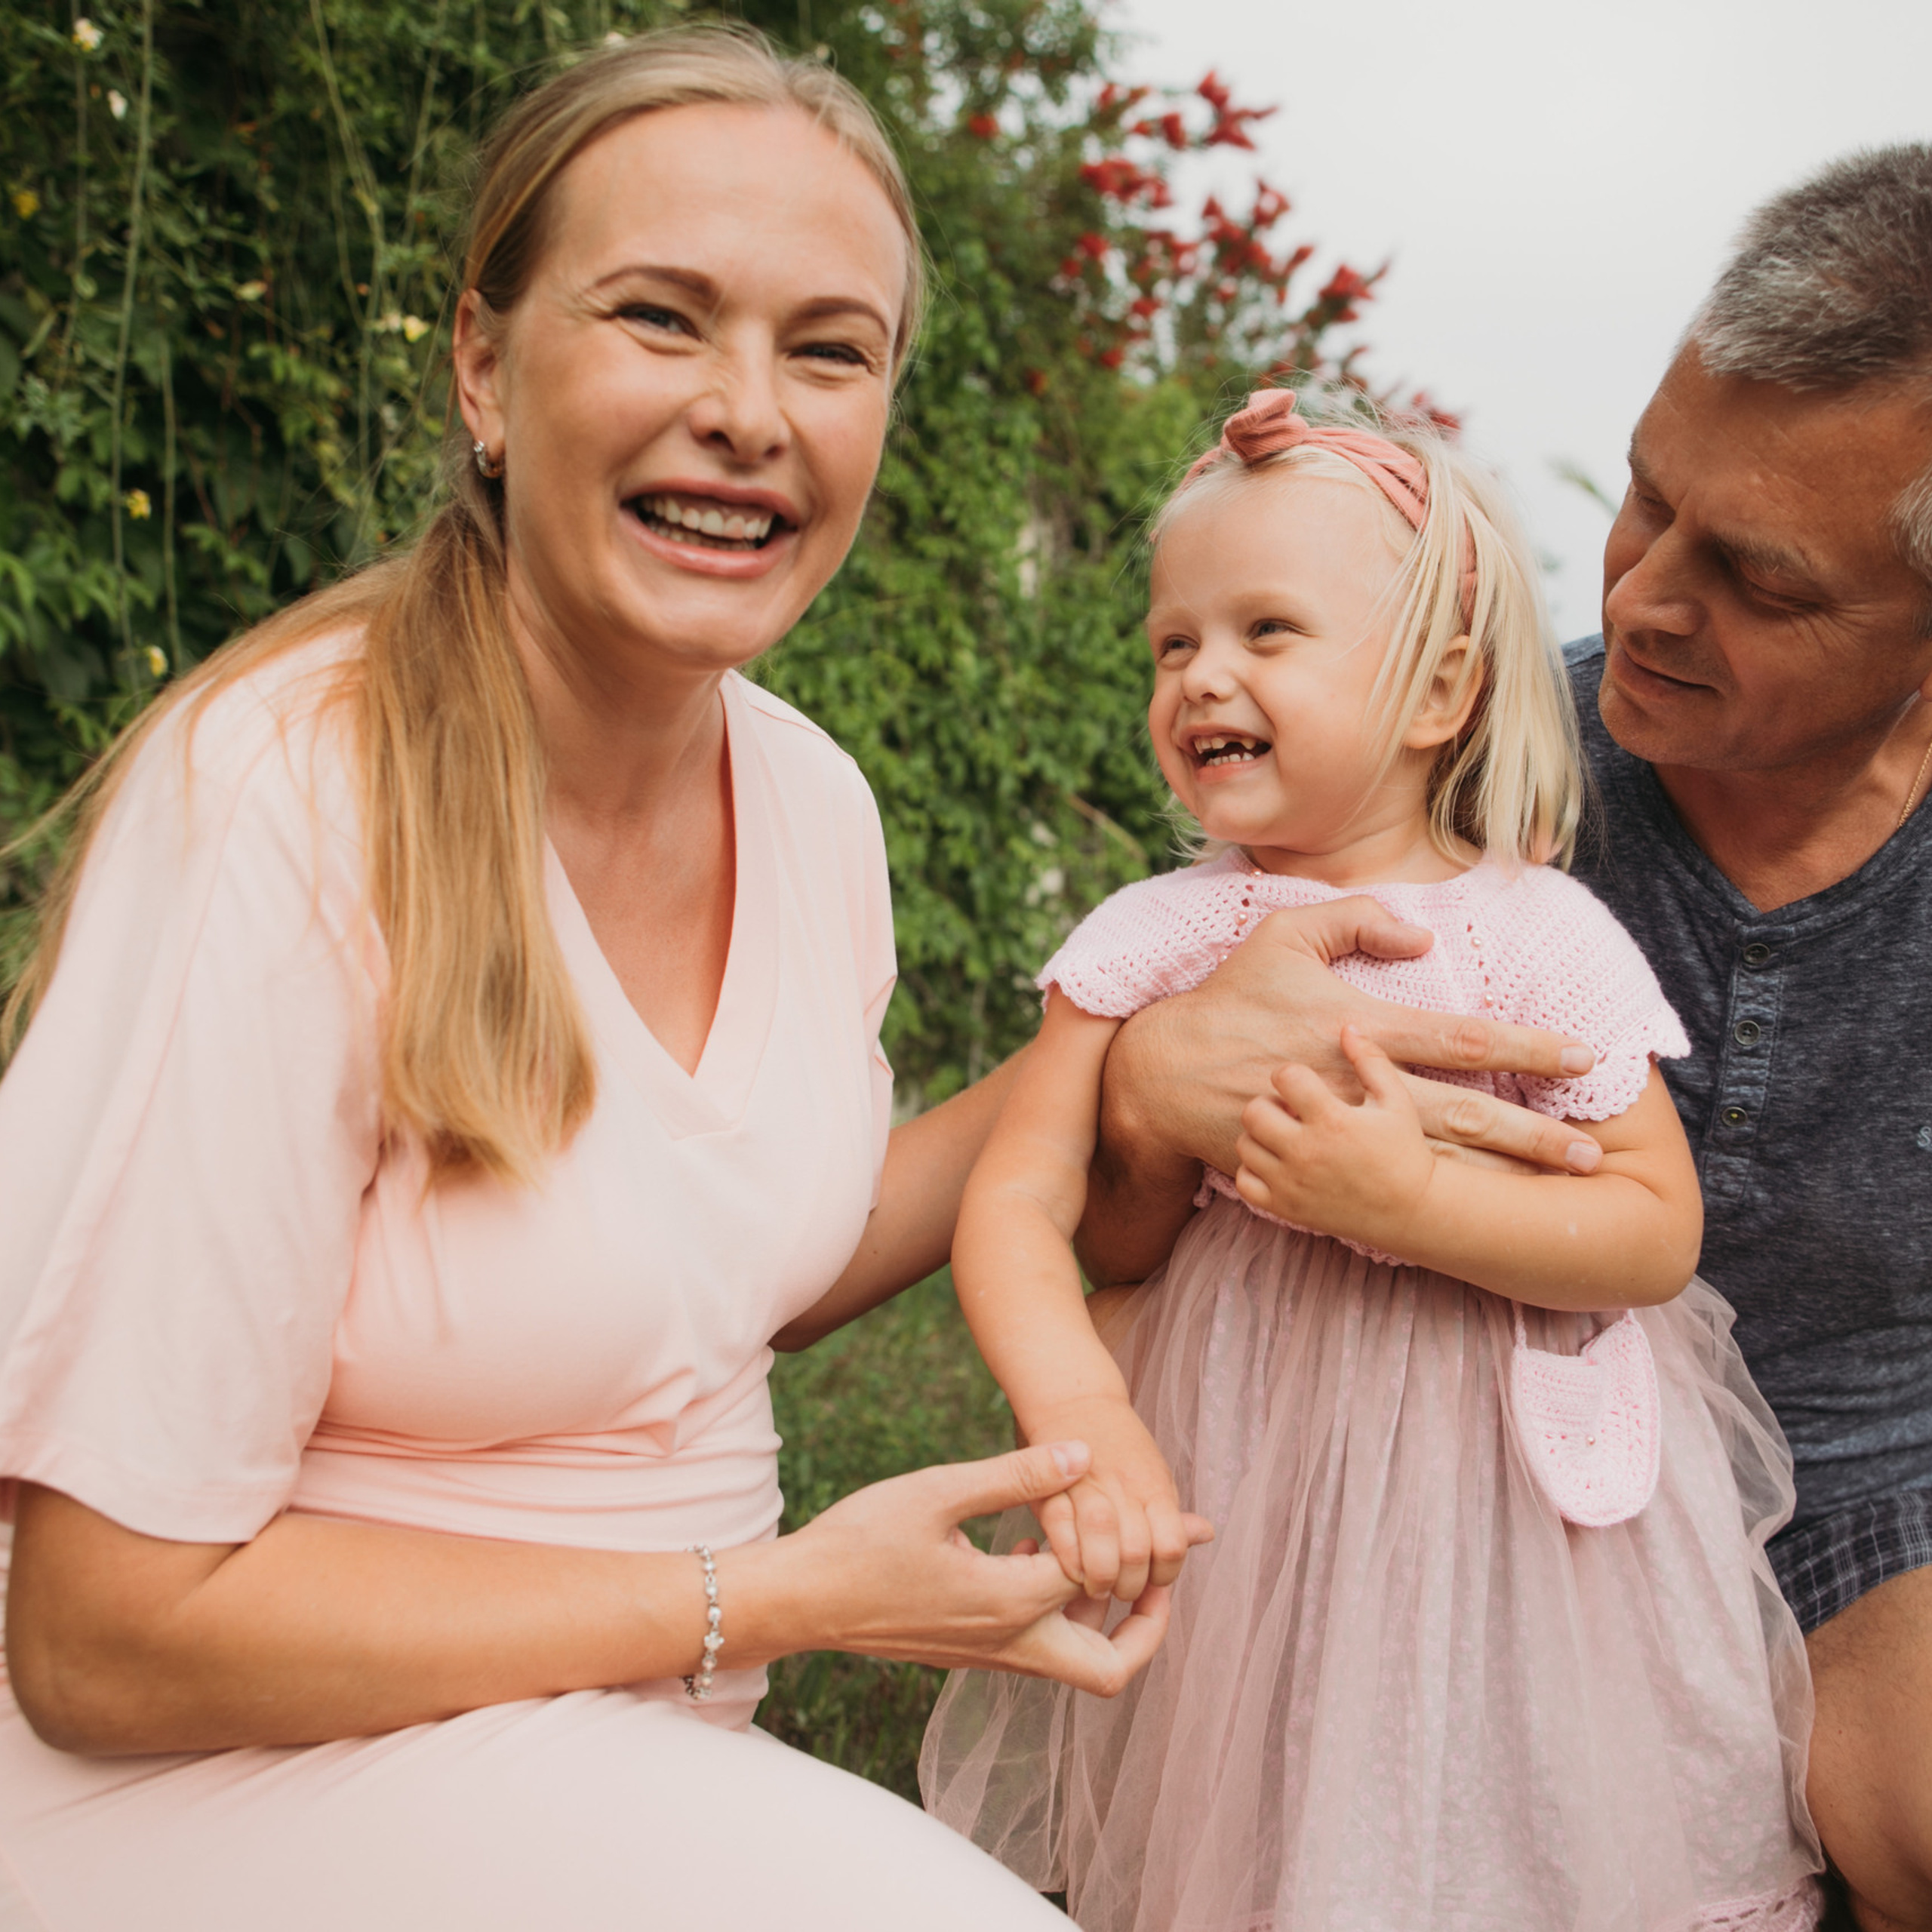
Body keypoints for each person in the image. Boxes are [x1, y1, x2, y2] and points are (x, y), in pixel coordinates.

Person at [0, 28, 1189, 1930]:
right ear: (484, 365)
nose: (747, 411)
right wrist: (784, 1595)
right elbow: (103, 1631)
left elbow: (693, 1268)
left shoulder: (810, 800)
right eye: (660, 317)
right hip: (212, 1778)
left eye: (827, 348)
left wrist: (1132, 1057)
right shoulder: (290, 795)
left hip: (610, 1756)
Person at [1078, 147, 1932, 1932]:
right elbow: (1063, 1127)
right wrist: (1142, 1091)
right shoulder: (1437, 767)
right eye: (1642, 498)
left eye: (1755, 584)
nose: (1635, 599)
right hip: (1422, 1464)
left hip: (1870, 1477)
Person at [921, 391, 1823, 1930]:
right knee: (1271, 1781)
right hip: (1244, 1451)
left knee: (1507, 1782)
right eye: (1171, 641)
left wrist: (1409, 1202)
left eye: (1266, 630)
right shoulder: (1153, 937)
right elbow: (1014, 1196)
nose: (1201, 671)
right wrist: (1078, 1416)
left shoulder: (1531, 934)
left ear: (1437, 688)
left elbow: (1651, 1225)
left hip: (1502, 1499)